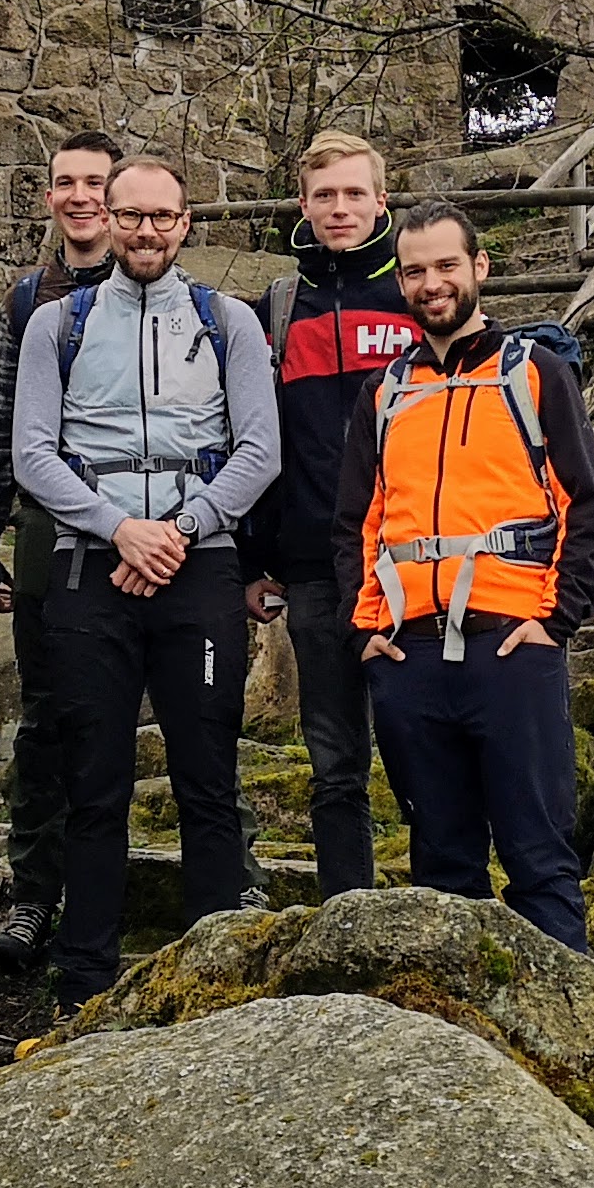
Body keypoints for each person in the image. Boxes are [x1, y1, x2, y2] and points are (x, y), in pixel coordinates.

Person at [11, 155, 281, 1007]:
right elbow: (31, 451)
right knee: (94, 779)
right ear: (103, 219)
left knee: (207, 772)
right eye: (128, 216)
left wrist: (180, 528)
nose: (144, 231)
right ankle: (83, 976)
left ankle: (209, 970)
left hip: (199, 567)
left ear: (186, 221)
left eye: (161, 216)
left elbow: (259, 450)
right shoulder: (54, 324)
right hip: (92, 566)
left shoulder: (227, 319)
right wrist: (118, 527)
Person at [333, 202, 594, 952]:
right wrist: (366, 631)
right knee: (441, 863)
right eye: (414, 269)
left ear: (478, 268)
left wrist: (554, 623)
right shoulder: (383, 393)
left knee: (539, 857)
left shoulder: (533, 373)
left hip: (509, 648)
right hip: (409, 655)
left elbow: (584, 507)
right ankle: (457, 1048)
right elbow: (355, 523)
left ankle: (570, 1040)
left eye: (445, 265)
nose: (431, 283)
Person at [241, 130, 420, 899]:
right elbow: (254, 440)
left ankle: (445, 904)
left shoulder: (415, 294)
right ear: (303, 206)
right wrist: (255, 559)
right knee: (333, 761)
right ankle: (346, 908)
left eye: (354, 193)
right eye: (324, 195)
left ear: (381, 199)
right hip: (313, 565)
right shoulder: (276, 310)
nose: (339, 208)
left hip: (420, 562)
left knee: (424, 748)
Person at [0, 129, 120, 971]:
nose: (79, 195)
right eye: (65, 181)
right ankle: (35, 893)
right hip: (46, 534)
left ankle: (226, 876)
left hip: (148, 535)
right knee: (47, 719)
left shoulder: (169, 292)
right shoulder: (27, 299)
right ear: (49, 195)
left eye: (94, 181)